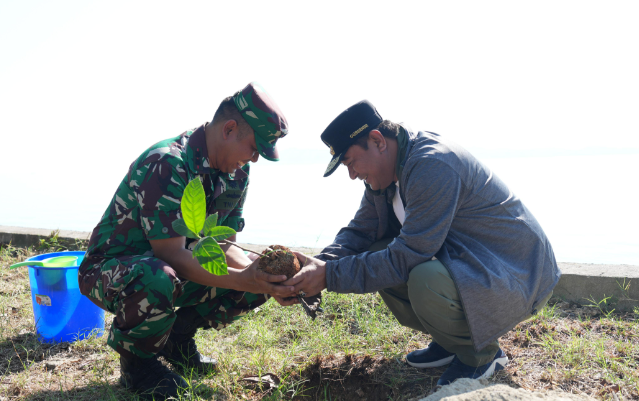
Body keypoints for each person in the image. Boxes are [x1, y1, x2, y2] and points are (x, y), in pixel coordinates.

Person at [283, 100, 560, 386]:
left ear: (377, 141)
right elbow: (361, 232)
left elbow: (408, 256)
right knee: (378, 252)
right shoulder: (388, 172)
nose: (352, 175)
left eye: (350, 162)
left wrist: (327, 277)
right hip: (475, 266)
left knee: (422, 277)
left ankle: (480, 354)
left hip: (519, 275)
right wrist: (318, 265)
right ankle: (450, 341)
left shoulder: (431, 165)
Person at [78, 82, 297, 400]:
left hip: (171, 266)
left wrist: (261, 275)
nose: (254, 159)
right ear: (230, 129)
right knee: (158, 276)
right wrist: (243, 279)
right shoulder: (169, 163)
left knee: (262, 274)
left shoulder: (237, 173)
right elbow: (172, 255)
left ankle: (177, 337)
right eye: (253, 147)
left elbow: (223, 245)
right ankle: (137, 365)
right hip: (113, 270)